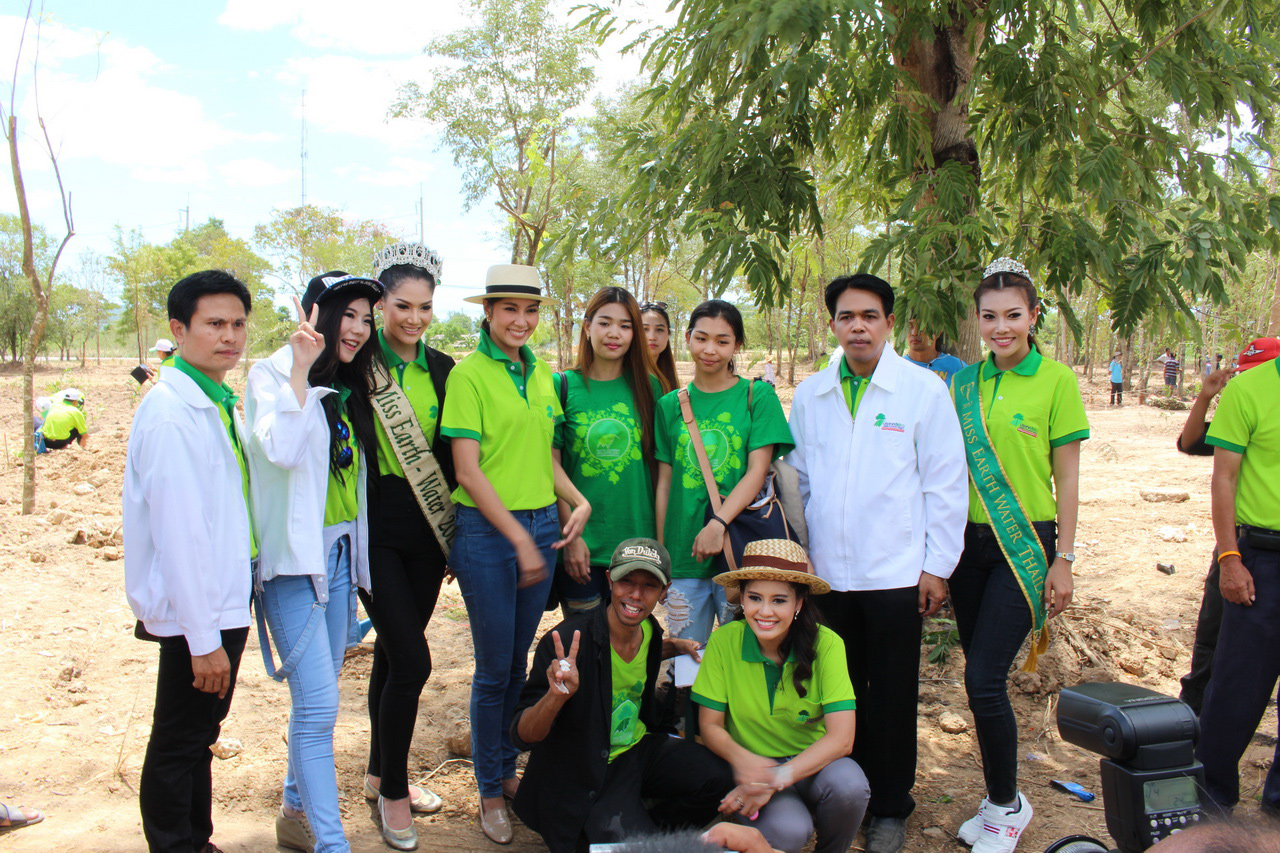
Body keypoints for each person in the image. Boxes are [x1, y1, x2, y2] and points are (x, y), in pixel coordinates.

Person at [786, 274, 968, 852]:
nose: (858, 326)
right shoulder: (811, 394)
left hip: (895, 574)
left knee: (890, 695)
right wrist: (800, 559)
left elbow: (945, 482)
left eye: (869, 316)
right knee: (835, 693)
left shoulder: (921, 391)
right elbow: (799, 481)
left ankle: (889, 806)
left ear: (889, 322)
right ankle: (843, 796)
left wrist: (937, 566)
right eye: (846, 316)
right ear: (833, 325)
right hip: (826, 576)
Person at [441, 264, 591, 844]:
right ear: (488, 312)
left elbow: (544, 457)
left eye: (530, 311)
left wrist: (575, 501)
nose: (521, 321)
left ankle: (506, 770)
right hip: (486, 533)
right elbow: (467, 471)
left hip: (540, 525)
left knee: (515, 664)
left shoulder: (543, 374)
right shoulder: (469, 376)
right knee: (492, 670)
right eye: (509, 309)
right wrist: (519, 538)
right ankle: (488, 789)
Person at [950, 258, 1089, 853]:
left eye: (1012, 315)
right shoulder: (962, 384)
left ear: (1033, 316)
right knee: (979, 678)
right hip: (964, 546)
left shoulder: (1056, 381)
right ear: (977, 320)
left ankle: (1006, 807)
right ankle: (998, 798)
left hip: (1024, 542)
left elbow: (1069, 479)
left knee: (983, 679)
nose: (1000, 328)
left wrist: (1065, 558)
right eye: (989, 317)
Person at [246, 271, 383, 852]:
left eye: (365, 319)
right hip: (295, 569)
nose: (357, 328)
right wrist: (300, 371)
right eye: (346, 314)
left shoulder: (348, 385)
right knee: (319, 709)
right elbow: (280, 449)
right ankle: (332, 844)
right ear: (312, 314)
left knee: (319, 700)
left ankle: (294, 812)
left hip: (339, 558)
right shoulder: (271, 375)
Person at [124, 270, 255, 853]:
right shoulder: (172, 414)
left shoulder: (215, 402)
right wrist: (203, 639)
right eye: (214, 323)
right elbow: (178, 534)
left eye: (238, 323)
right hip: (195, 611)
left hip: (219, 599)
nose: (229, 336)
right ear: (179, 330)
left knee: (199, 734)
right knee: (180, 739)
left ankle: (196, 841)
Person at [511, 538, 733, 852]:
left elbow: (643, 653)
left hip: (637, 749)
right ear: (610, 580)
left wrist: (675, 646)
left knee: (720, 778)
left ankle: (647, 832)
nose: (635, 595)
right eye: (626, 581)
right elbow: (523, 735)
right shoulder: (567, 643)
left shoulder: (650, 631)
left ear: (664, 591)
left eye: (649, 585)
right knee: (630, 843)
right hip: (586, 768)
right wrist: (555, 697)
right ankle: (627, 834)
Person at [359, 243, 457, 848]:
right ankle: (395, 790)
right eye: (402, 306)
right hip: (372, 531)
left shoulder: (444, 369)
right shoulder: (354, 363)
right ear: (380, 304)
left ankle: (379, 772)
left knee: (393, 657)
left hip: (428, 530)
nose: (414, 318)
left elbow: (451, 455)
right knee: (414, 660)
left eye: (425, 307)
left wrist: (453, 537)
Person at [693, 539, 871, 853]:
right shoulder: (724, 642)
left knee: (850, 788)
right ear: (742, 599)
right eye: (755, 598)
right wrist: (746, 765)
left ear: (799, 603)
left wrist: (776, 778)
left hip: (814, 764)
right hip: (755, 766)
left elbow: (842, 739)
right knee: (789, 832)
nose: (765, 611)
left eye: (779, 600)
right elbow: (710, 726)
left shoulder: (827, 644)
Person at [654, 299, 794, 648]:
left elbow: (757, 471)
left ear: (737, 345)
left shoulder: (756, 396)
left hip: (743, 551)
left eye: (722, 341)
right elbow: (665, 484)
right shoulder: (669, 405)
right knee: (686, 660)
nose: (710, 350)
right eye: (701, 338)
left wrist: (717, 525)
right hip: (684, 554)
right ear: (687, 338)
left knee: (748, 655)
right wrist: (662, 554)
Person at [1196, 335, 1280, 819]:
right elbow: (1223, 478)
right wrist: (1230, 557)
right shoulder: (1249, 390)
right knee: (1236, 684)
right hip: (1261, 559)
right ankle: (1211, 797)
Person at [1170, 343, 1280, 714]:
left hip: (1262, 543)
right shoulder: (1243, 409)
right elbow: (1189, 443)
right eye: (1243, 373)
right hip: (1235, 544)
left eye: (1256, 371)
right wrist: (1204, 397)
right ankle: (1195, 710)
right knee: (1212, 633)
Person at [553, 287, 663, 615]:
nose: (614, 333)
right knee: (585, 638)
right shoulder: (562, 386)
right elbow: (551, 466)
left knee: (627, 639)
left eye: (625, 326)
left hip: (636, 547)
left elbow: (660, 471)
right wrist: (571, 538)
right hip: (582, 546)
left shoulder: (650, 387)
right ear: (587, 327)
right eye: (605, 323)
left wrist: (659, 542)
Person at [904, 318, 967, 387]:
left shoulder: (958, 368)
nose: (914, 333)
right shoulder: (897, 367)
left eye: (922, 326)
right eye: (910, 326)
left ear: (938, 331)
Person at [641, 301, 679, 393]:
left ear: (668, 334)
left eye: (659, 330)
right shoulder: (622, 378)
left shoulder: (667, 380)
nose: (652, 337)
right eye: (644, 329)